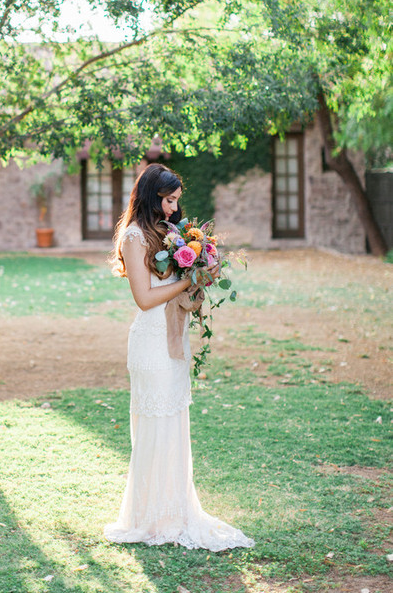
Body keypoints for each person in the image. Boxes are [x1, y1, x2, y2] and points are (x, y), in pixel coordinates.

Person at [104, 163, 255, 551]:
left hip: (173, 340)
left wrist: (203, 273)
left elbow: (177, 294)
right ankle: (150, 518)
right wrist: (187, 279)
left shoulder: (167, 235)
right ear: (154, 196)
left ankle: (173, 513)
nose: (174, 209)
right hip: (150, 344)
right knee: (155, 427)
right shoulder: (135, 237)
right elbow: (145, 298)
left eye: (176, 202)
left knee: (173, 425)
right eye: (169, 200)